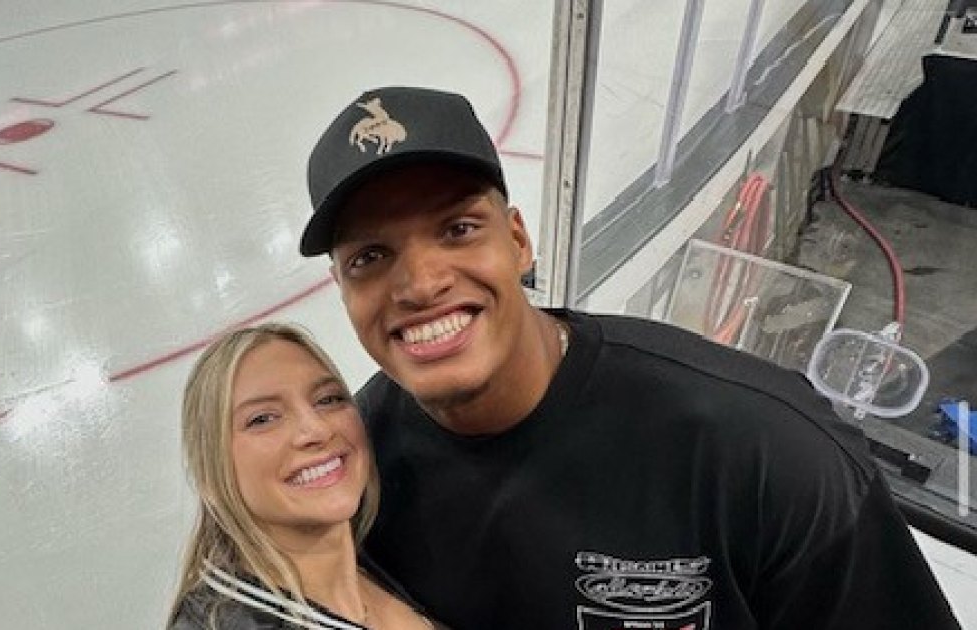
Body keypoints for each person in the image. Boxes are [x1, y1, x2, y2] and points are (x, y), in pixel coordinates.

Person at [298, 86, 962, 629]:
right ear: (342, 289)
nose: (419, 284)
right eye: (370, 257)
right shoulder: (356, 467)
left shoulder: (766, 453)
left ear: (519, 242)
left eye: (458, 229)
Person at [170, 323, 444, 629]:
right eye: (263, 419)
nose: (316, 430)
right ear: (211, 463)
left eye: (328, 399)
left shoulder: (385, 557)